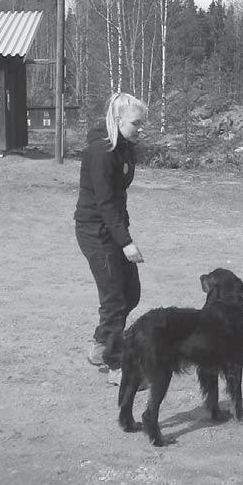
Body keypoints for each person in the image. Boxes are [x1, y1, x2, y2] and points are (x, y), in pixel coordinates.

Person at [74, 92, 147, 385]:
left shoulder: (124, 146)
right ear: (116, 120)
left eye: (142, 123)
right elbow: (105, 203)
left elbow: (119, 198)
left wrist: (124, 234)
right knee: (115, 298)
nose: (140, 128)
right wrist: (126, 241)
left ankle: (100, 346)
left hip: (113, 227)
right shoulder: (101, 152)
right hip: (95, 231)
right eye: (136, 123)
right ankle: (117, 369)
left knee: (131, 293)